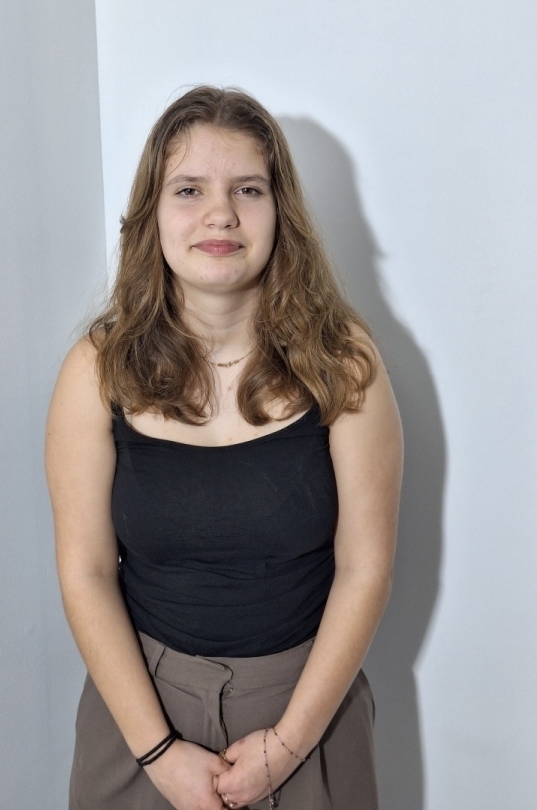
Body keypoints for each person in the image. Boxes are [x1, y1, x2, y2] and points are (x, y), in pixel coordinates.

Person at [45, 85, 403, 810]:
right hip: (139, 723)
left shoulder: (344, 360)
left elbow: (365, 568)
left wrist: (288, 746)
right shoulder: (96, 369)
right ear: (152, 213)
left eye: (248, 189)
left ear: (280, 211)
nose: (221, 214)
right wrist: (159, 752)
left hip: (309, 718)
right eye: (189, 190)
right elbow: (86, 572)